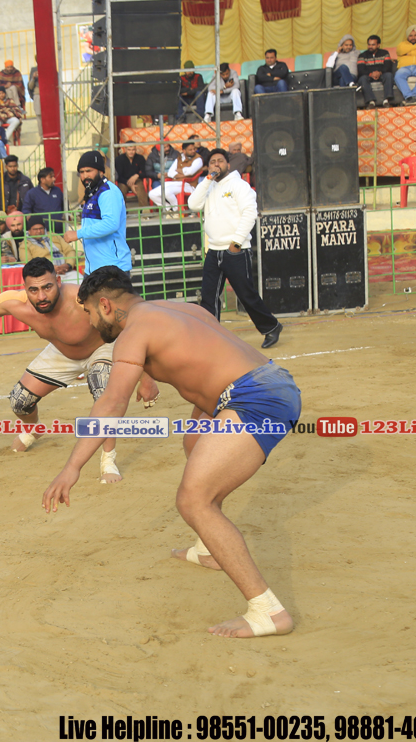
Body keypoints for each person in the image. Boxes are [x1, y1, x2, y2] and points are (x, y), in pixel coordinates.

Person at [43, 266, 300, 638]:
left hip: (256, 400)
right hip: (269, 382)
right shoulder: (177, 309)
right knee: (194, 443)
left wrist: (72, 467)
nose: (90, 324)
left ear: (105, 305)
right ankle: (209, 548)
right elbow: (209, 357)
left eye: (89, 313)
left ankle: (268, 611)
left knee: (193, 500)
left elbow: (112, 403)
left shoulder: (134, 332)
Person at [0, 256, 158, 473]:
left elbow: (131, 323)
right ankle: (34, 428)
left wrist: (146, 376)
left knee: (102, 389)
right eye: (33, 290)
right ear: (25, 288)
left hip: (102, 346)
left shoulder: (81, 298)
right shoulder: (15, 303)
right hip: (62, 351)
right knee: (19, 402)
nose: (41, 296)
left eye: (47, 287)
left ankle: (108, 458)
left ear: (58, 281)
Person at [188, 149, 283, 348]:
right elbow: (193, 205)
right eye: (212, 162)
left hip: (236, 250)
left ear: (228, 165)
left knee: (246, 294)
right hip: (214, 250)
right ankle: (210, 336)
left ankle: (271, 327)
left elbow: (250, 213)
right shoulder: (208, 186)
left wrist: (236, 243)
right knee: (209, 297)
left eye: (220, 161)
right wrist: (207, 179)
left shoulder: (239, 185)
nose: (216, 164)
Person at [63, 150, 133, 273]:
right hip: (94, 269)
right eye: (81, 172)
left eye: (89, 171)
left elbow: (111, 223)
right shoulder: (92, 191)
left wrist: (78, 234)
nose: (85, 176)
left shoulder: (108, 192)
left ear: (101, 171)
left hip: (112, 268)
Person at [150, 138, 203, 209]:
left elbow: (190, 172)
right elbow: (170, 172)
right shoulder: (179, 158)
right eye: (190, 150)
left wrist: (180, 170)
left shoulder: (198, 159)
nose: (193, 151)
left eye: (194, 149)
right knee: (152, 194)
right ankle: (168, 209)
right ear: (184, 151)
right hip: (175, 183)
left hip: (188, 185)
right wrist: (181, 174)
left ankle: (177, 210)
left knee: (167, 192)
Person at [20, 167, 64, 234]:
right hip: (42, 234)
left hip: (60, 232)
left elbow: (64, 206)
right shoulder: (32, 193)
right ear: (42, 180)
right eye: (51, 177)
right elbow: (26, 210)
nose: (54, 179)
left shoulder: (57, 191)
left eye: (53, 176)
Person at [357, 36, 394, 107]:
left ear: (378, 45)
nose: (370, 47)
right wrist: (371, 74)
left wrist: (379, 73)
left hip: (382, 74)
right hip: (369, 75)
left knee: (389, 75)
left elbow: (388, 66)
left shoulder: (385, 53)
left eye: (373, 45)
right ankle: (371, 102)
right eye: (369, 44)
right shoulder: (362, 55)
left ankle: (386, 101)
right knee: (362, 79)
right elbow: (361, 69)